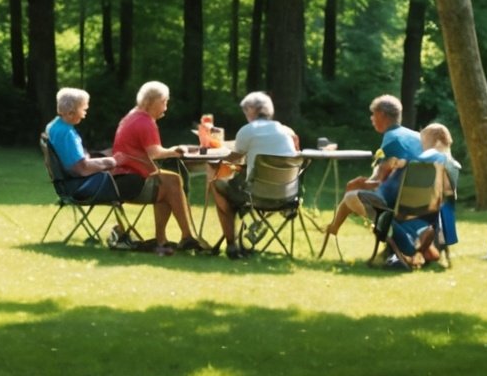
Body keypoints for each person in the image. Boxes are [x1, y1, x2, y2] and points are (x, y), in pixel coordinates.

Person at [110, 80, 209, 255]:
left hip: (119, 178)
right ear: (151, 101)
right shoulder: (145, 121)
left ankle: (164, 239)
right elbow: (155, 153)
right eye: (164, 101)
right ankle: (186, 236)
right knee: (173, 182)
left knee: (169, 183)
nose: (166, 106)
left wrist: (172, 150)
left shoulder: (131, 116)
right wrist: (175, 151)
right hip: (132, 181)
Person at [322, 94, 423, 241]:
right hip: (425, 204)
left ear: (382, 114)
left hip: (396, 206)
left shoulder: (392, 138)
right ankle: (334, 227)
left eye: (373, 114)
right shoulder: (417, 137)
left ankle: (334, 227)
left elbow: (379, 181)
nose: (371, 118)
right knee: (354, 190)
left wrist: (359, 184)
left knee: (351, 193)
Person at [211, 91, 299, 259]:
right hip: (287, 197)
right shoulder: (284, 130)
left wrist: (217, 157)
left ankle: (231, 244)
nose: (245, 115)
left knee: (217, 184)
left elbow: (235, 156)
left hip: (255, 196)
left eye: (246, 111)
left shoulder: (248, 130)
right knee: (235, 186)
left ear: (252, 110)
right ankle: (239, 239)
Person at [399, 122, 463, 267]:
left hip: (418, 211)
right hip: (443, 215)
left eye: (423, 140)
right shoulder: (453, 165)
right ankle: (426, 249)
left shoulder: (423, 160)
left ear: (433, 140)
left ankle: (410, 251)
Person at [46, 87, 119, 199]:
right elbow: (82, 169)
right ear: (70, 113)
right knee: (113, 162)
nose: (84, 114)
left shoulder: (53, 126)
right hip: (78, 186)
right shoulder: (67, 133)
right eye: (83, 110)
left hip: (65, 183)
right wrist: (110, 162)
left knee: (106, 153)